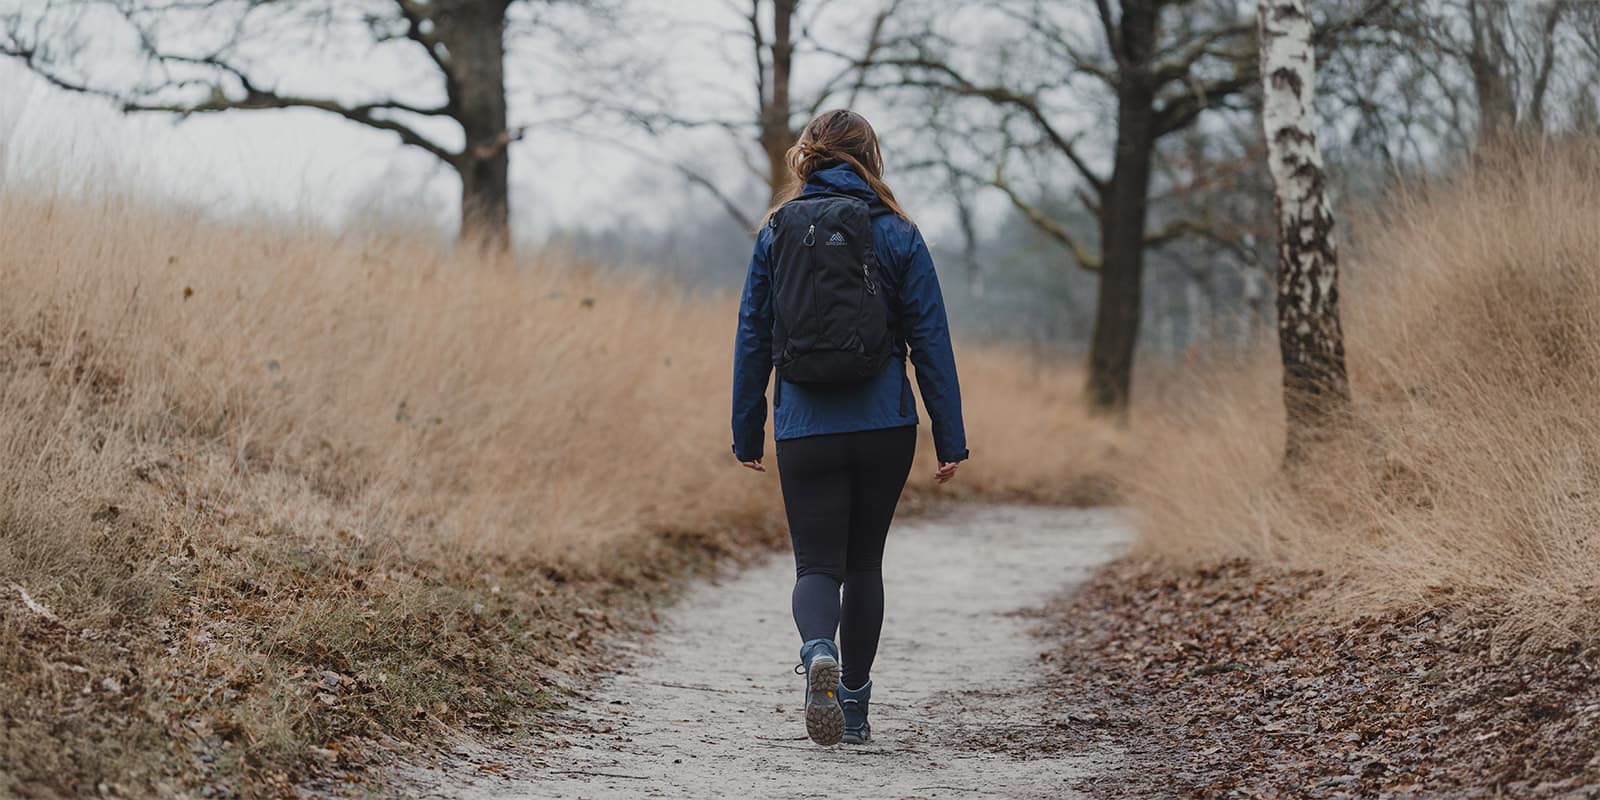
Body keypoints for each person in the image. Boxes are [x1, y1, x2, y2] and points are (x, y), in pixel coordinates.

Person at [730, 109, 968, 747]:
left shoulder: (777, 230)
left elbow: (753, 335)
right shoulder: (898, 233)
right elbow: (931, 342)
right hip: (883, 424)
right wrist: (950, 438)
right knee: (865, 563)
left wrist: (746, 429)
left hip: (804, 425)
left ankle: (815, 653)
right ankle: (855, 710)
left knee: (816, 566)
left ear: (809, 155)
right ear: (870, 156)